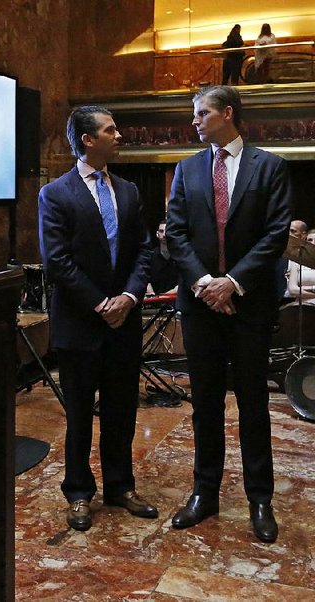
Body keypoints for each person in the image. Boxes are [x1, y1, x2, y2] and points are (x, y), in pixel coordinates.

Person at [165, 85, 291, 543]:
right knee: (205, 404)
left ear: (227, 113)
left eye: (201, 113)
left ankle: (261, 498)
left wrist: (233, 282)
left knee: (254, 403)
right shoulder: (185, 169)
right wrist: (205, 284)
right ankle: (205, 493)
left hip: (249, 304)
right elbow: (175, 234)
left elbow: (275, 234)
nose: (194, 121)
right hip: (201, 306)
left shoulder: (270, 166)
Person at [38, 105, 156, 531]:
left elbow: (144, 250)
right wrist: (99, 303)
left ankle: (121, 487)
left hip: (124, 321)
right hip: (80, 323)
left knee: (123, 410)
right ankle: (78, 493)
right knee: (80, 415)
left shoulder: (128, 191)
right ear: (88, 139)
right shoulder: (55, 193)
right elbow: (57, 262)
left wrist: (126, 296)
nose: (119, 135)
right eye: (111, 130)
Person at [284, 228, 315, 307]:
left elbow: (297, 289)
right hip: (300, 307)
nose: (313, 243)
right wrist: (313, 288)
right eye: (310, 240)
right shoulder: (297, 262)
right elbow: (293, 290)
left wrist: (302, 288)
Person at [150, 221, 179, 295]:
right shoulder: (150, 256)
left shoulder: (180, 256)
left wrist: (163, 297)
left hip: (175, 299)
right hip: (153, 302)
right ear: (157, 234)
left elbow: (183, 283)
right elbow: (145, 280)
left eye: (167, 231)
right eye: (161, 231)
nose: (164, 234)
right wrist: (152, 294)